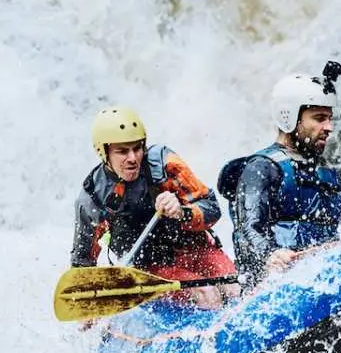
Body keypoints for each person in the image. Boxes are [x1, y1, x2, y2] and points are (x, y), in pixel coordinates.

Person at [71, 105, 237, 308]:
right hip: (152, 270)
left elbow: (212, 209)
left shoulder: (165, 164)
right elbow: (83, 260)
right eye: (122, 151)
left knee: (235, 288)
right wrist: (88, 307)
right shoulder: (94, 197)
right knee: (207, 294)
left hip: (196, 250)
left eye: (137, 148)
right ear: (104, 152)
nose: (133, 158)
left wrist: (182, 212)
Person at [218, 61, 341, 288]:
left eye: (330, 118)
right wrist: (270, 255)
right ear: (289, 117)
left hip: (321, 281)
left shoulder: (326, 173)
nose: (329, 127)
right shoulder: (261, 168)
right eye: (319, 118)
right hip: (272, 288)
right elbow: (248, 229)